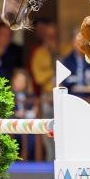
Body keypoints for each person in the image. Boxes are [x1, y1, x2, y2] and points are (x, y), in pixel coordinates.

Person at [31, 22, 59, 160]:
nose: (51, 39)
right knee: (49, 134)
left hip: (62, 97)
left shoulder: (62, 51)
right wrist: (53, 71)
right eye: (49, 36)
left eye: (54, 36)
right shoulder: (39, 54)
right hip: (47, 98)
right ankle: (49, 165)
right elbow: (38, 77)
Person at [61, 28, 90, 100]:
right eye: (77, 41)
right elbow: (65, 82)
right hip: (73, 97)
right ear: (72, 42)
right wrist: (75, 79)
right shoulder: (67, 60)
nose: (80, 44)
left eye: (83, 41)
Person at [12, 68, 38, 160]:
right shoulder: (9, 95)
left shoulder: (30, 95)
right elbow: (7, 112)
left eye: (23, 81)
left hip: (27, 125)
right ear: (14, 81)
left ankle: (29, 161)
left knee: (32, 140)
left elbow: (34, 111)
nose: (21, 83)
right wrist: (16, 114)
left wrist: (27, 113)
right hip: (14, 126)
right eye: (19, 80)